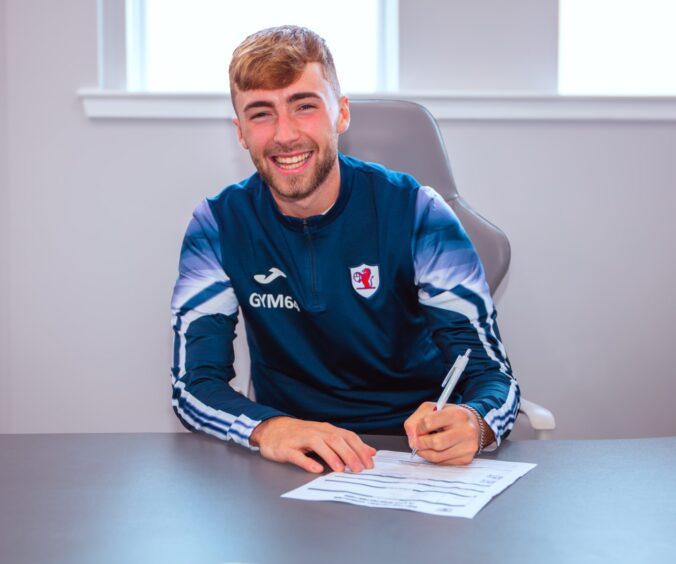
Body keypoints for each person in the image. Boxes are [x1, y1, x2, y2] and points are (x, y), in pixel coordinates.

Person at [171, 25, 520, 474]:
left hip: (413, 459)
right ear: (240, 132)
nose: (284, 134)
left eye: (305, 107)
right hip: (292, 457)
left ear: (341, 114)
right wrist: (268, 428)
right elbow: (193, 385)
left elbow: (492, 376)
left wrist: (474, 422)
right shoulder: (217, 224)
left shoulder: (419, 212)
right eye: (261, 114)